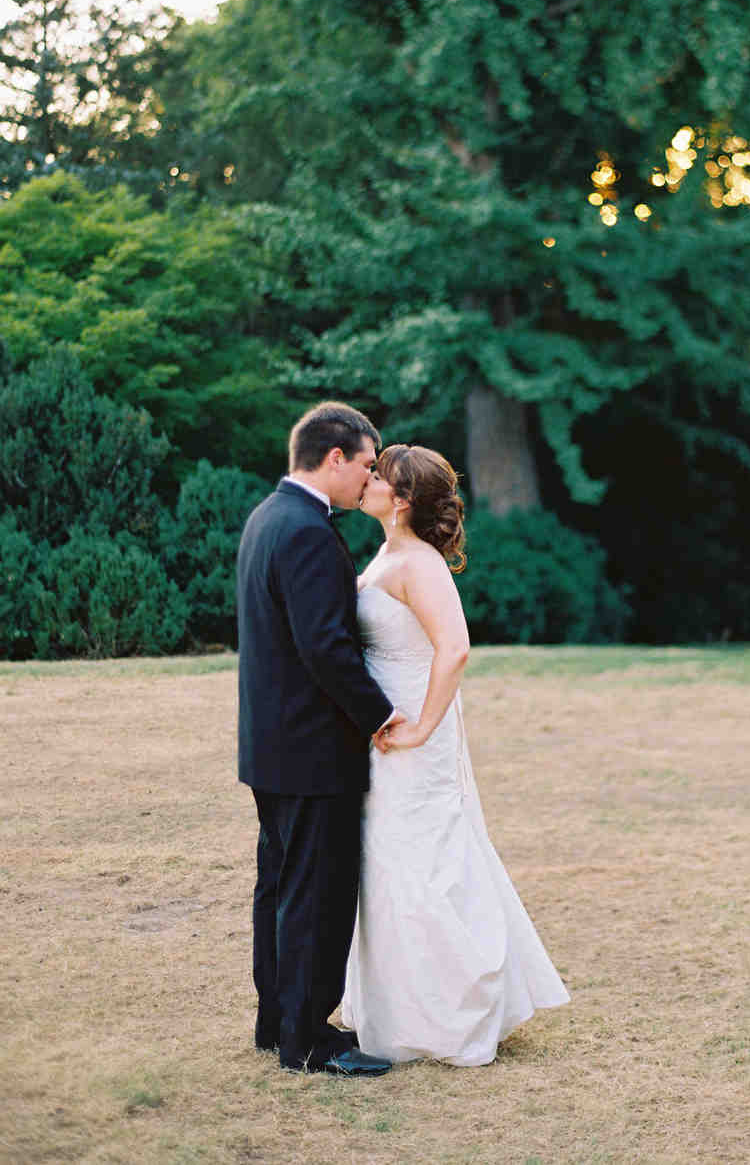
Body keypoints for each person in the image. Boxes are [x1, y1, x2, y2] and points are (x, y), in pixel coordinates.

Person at [341, 443, 570, 1065]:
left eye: (378, 477)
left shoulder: (419, 564)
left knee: (422, 857)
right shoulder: (387, 552)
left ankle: (449, 1015)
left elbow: (455, 649)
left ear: (404, 499)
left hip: (416, 729)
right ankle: (399, 1009)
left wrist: (420, 729)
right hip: (386, 726)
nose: (366, 481)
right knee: (388, 861)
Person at [237, 401, 413, 1077]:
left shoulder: (266, 517)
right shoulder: (307, 530)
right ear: (334, 457)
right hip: (313, 749)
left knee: (280, 885)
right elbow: (326, 647)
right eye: (367, 463)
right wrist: (380, 714)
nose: (371, 476)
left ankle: (277, 1020)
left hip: (271, 744)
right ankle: (310, 1038)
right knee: (316, 892)